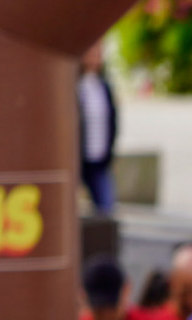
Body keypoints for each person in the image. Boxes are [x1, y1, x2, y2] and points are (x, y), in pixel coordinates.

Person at [77, 40, 116, 213]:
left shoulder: (104, 86)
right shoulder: (75, 85)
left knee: (106, 207)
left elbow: (112, 121)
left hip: (99, 157)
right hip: (78, 157)